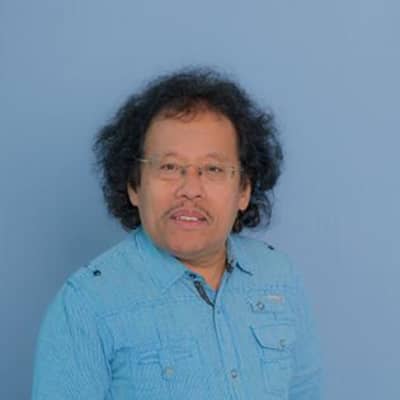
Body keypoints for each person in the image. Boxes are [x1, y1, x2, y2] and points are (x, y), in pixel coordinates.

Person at [32, 68, 321, 399]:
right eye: (169, 167)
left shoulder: (278, 278)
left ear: (243, 190)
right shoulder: (86, 305)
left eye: (213, 169)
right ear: (134, 186)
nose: (190, 189)